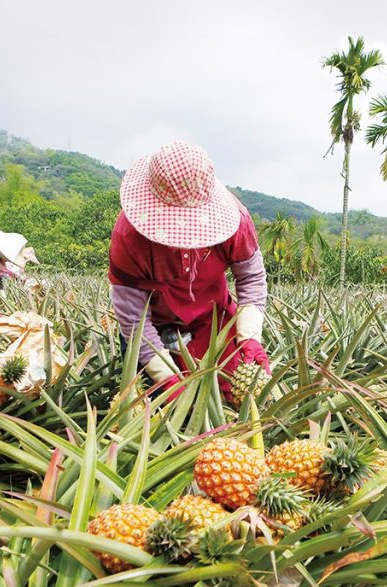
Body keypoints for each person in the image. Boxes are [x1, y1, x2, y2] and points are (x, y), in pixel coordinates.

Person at [108, 140, 269, 403]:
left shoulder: (237, 222)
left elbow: (250, 277)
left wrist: (250, 337)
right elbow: (135, 321)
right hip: (152, 331)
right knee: (162, 410)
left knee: (229, 401)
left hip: (212, 322)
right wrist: (166, 377)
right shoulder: (129, 237)